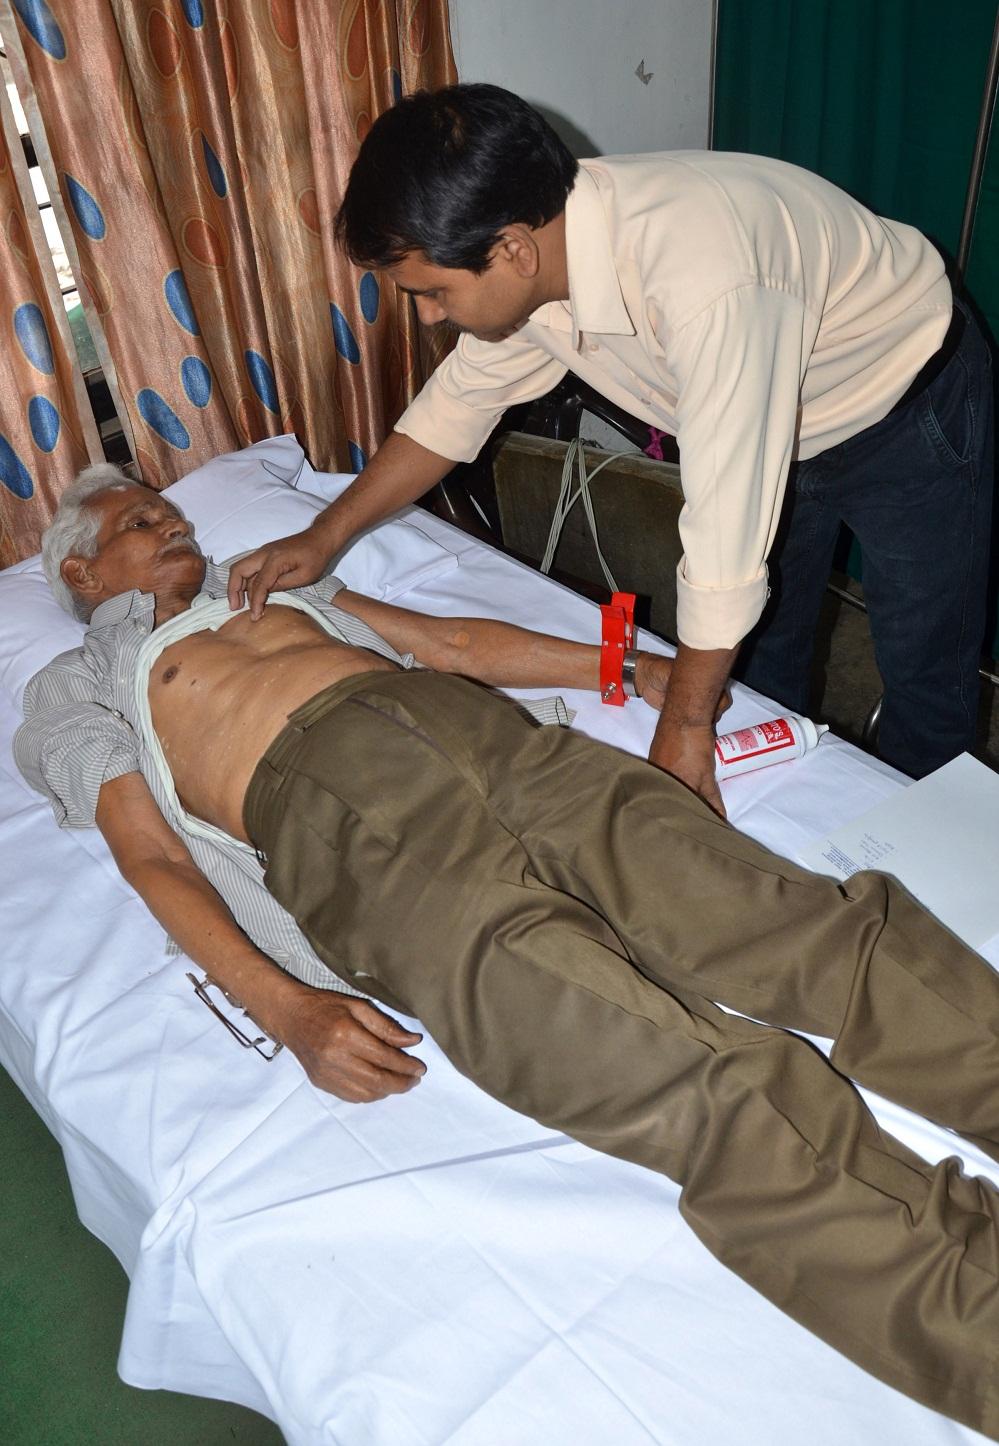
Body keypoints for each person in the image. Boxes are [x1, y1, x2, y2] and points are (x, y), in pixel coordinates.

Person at [15, 467, 999, 1440]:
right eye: (141, 522)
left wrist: (628, 667)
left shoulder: (268, 579)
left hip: (504, 747)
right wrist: (285, 1008)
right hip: (350, 831)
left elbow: (448, 643)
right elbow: (150, 856)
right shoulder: (78, 685)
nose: (175, 524)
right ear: (84, 576)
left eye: (172, 510)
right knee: (687, 1088)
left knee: (809, 931)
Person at [228, 83, 995, 816]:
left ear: (512, 249)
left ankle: (931, 855)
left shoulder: (705, 281)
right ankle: (794, 796)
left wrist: (684, 728)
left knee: (923, 662)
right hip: (781, 418)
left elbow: (722, 539)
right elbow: (454, 407)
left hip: (906, 410)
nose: (429, 317)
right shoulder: (543, 245)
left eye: (434, 292)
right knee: (762, 649)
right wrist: (324, 533)